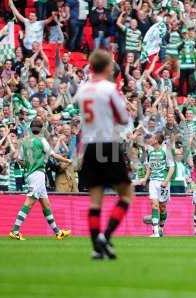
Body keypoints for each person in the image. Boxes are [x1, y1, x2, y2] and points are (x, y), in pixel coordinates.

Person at [75, 50, 132, 260]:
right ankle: (105, 236)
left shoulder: (82, 90)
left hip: (90, 146)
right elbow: (124, 118)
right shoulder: (109, 89)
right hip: (108, 144)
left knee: (95, 201)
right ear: (108, 68)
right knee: (126, 194)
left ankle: (96, 248)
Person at [9, 118, 72, 241]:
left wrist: (28, 165)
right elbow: (53, 155)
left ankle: (58, 232)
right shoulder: (41, 140)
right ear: (42, 129)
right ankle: (15, 230)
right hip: (37, 174)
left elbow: (19, 160)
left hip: (31, 174)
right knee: (30, 201)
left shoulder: (25, 142)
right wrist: (67, 160)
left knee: (46, 204)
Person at [140, 133, 175, 238]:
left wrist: (166, 181)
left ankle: (161, 228)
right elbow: (149, 167)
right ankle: (155, 232)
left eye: (153, 138)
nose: (150, 139)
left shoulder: (166, 151)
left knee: (162, 207)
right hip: (153, 182)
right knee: (154, 204)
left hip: (163, 182)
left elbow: (172, 167)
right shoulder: (150, 152)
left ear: (157, 140)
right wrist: (145, 178)